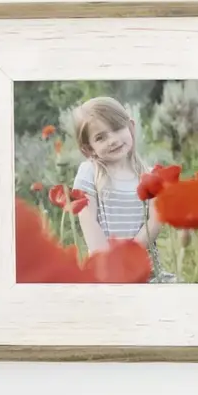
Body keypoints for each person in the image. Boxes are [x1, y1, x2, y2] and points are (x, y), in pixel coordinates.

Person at [71, 97, 176, 284]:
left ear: (131, 127)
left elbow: (154, 221)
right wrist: (110, 266)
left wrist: (128, 259)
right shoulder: (89, 172)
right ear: (89, 148)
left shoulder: (149, 175)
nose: (112, 140)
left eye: (117, 128)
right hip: (104, 270)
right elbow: (88, 221)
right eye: (100, 137)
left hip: (144, 270)